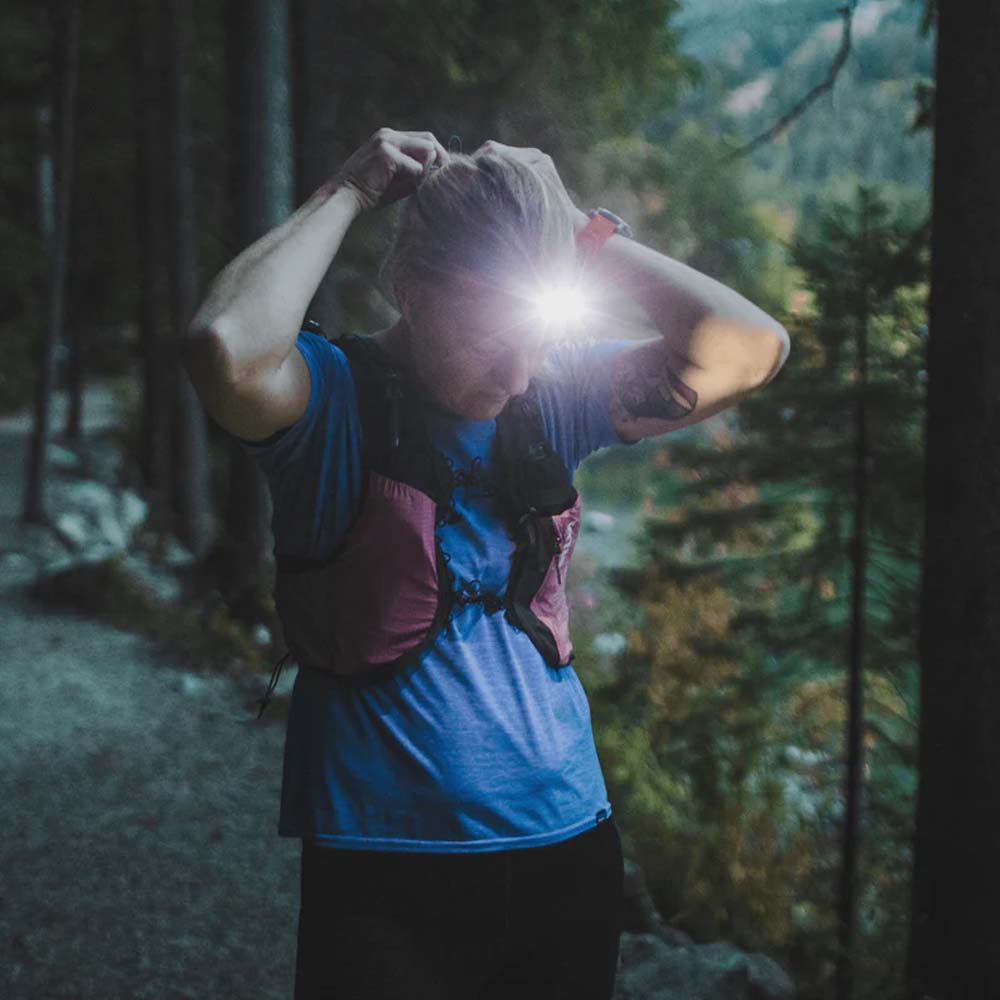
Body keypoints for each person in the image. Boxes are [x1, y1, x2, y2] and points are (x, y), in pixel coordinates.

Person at [183, 127, 789, 999]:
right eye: (487, 337)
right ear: (410, 289)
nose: (516, 373)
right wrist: (350, 188)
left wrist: (582, 234)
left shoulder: (554, 398)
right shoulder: (328, 402)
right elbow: (221, 347)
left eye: (534, 338)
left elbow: (751, 348)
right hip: (384, 869)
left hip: (568, 848)